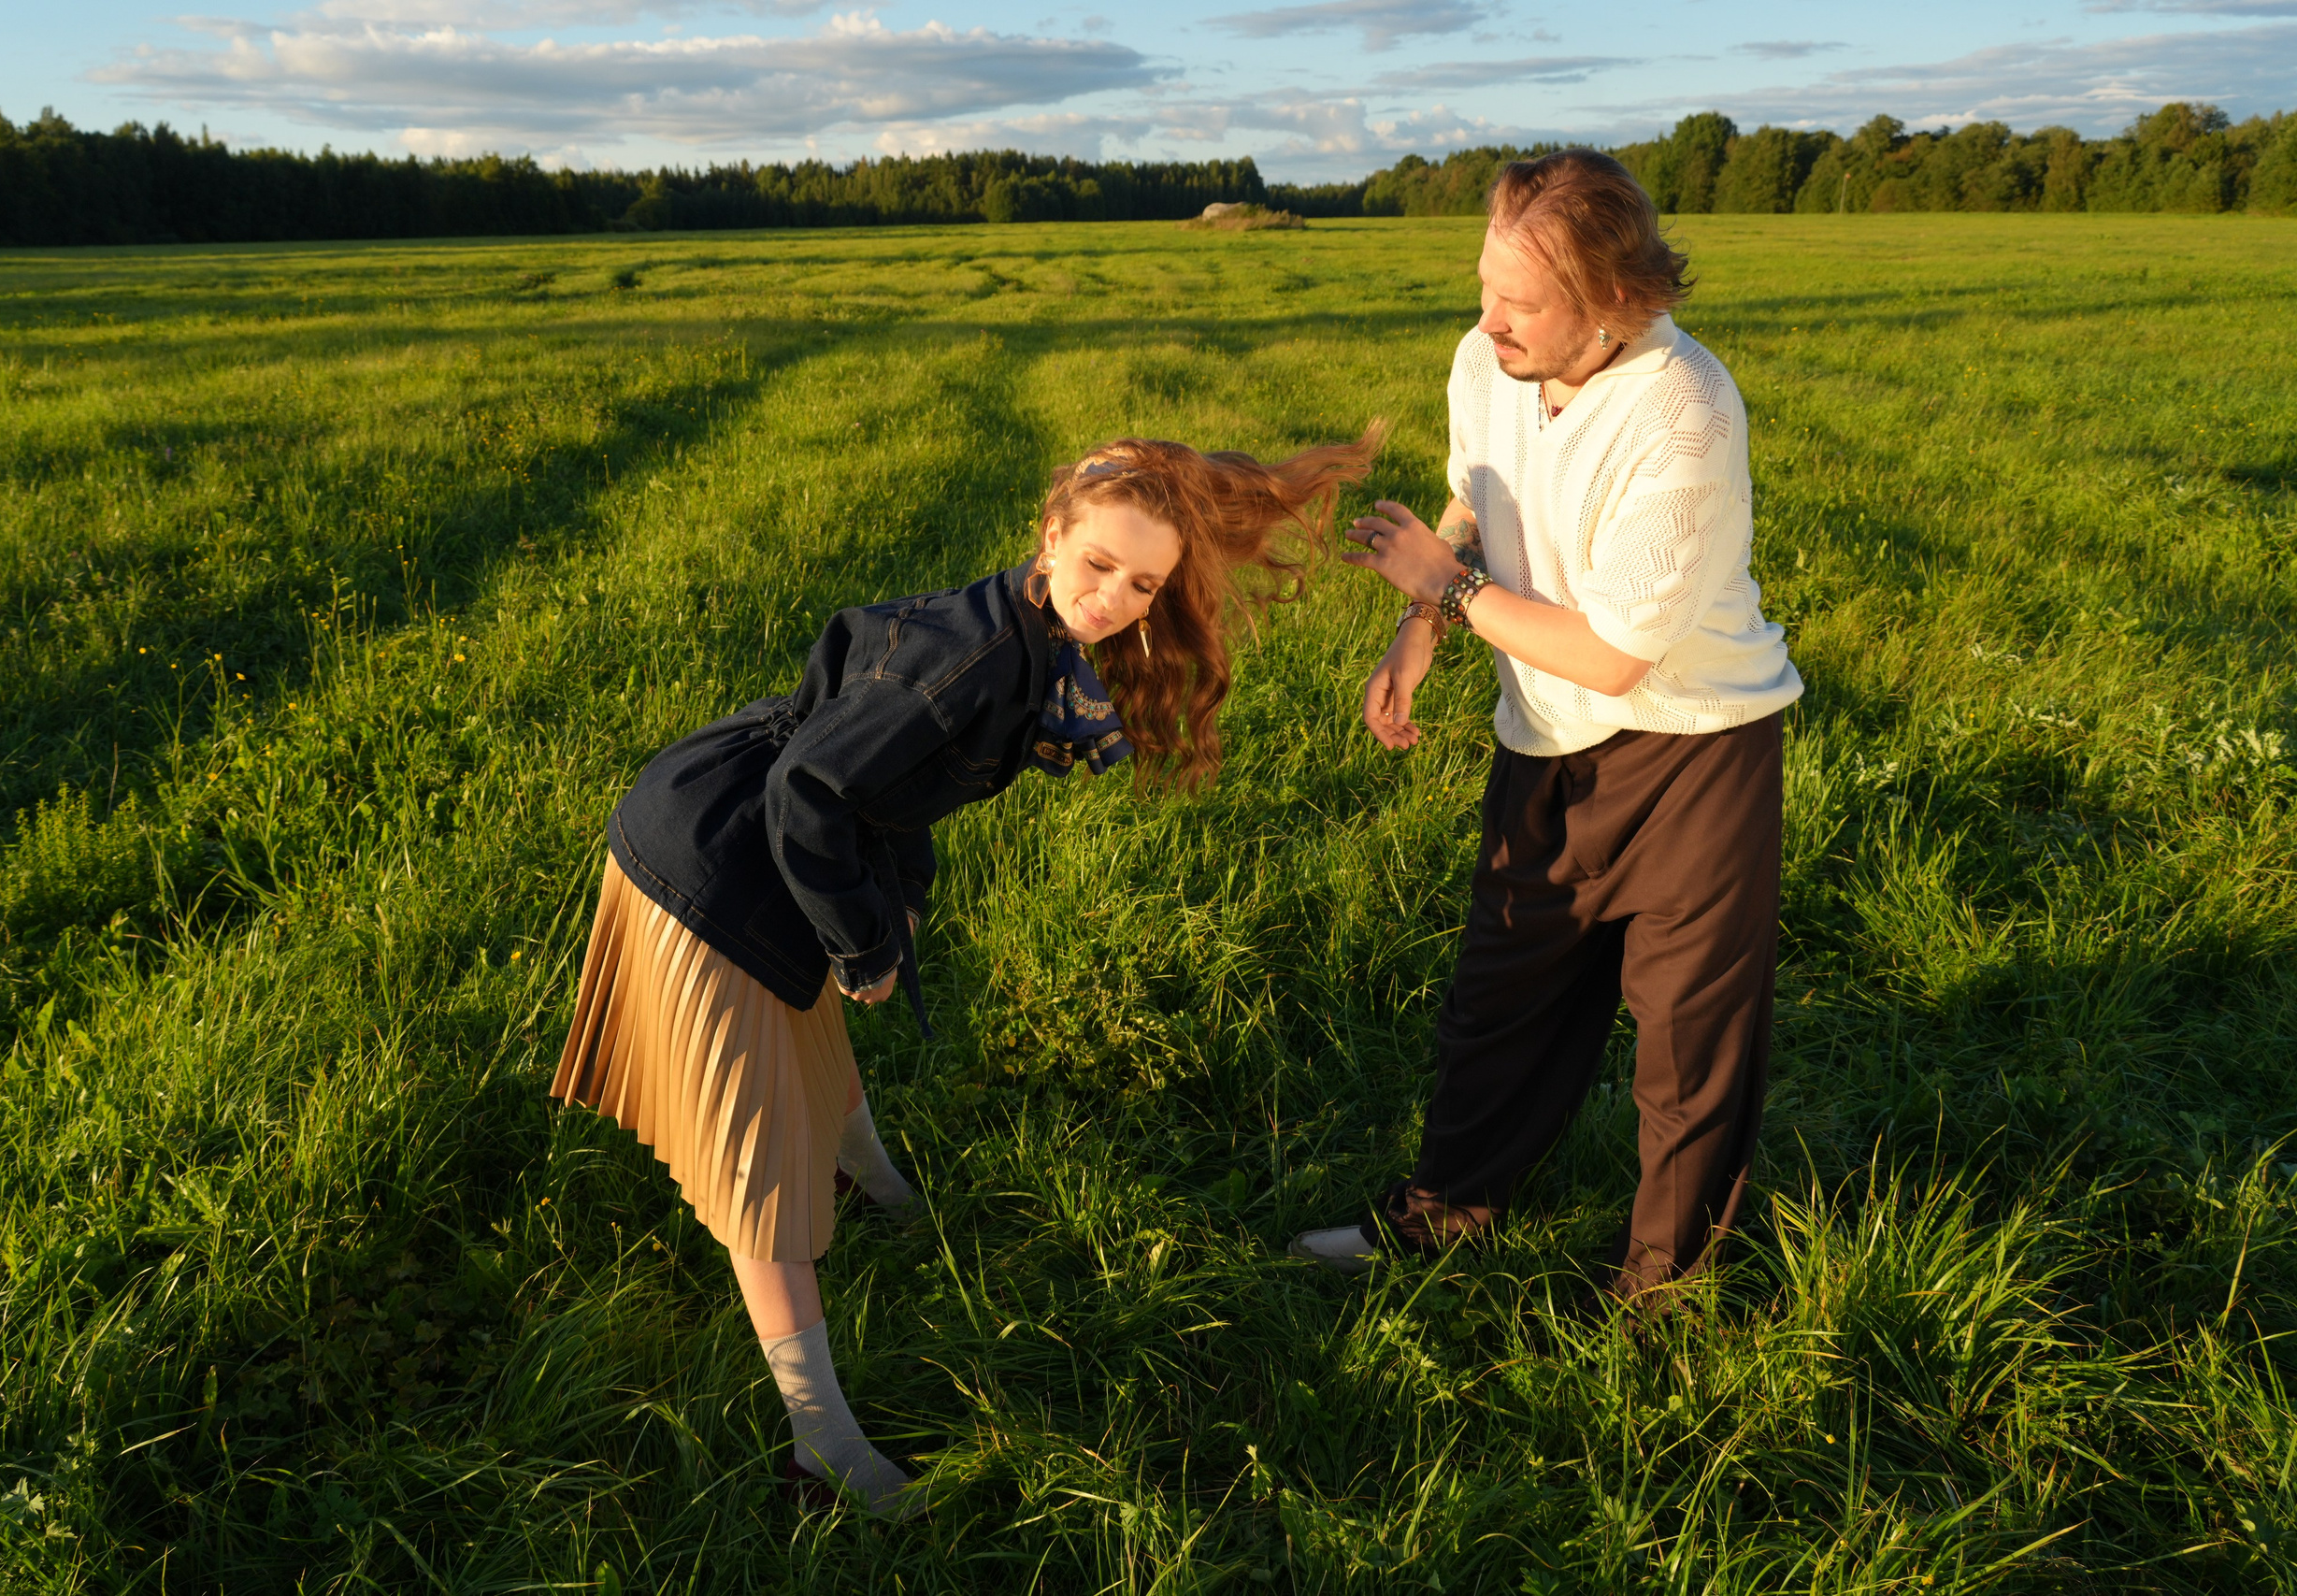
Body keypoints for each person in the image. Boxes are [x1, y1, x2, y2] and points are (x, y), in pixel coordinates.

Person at [551, 428, 1379, 1516]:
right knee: (756, 1171)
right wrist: (860, 942)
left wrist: (887, 911)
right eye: (1097, 566)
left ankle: (879, 1188)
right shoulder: (980, 658)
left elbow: (874, 758)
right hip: (716, 860)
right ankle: (823, 1448)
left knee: (813, 1037)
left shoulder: (1023, 628)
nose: (1115, 599)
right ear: (1050, 536)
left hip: (760, 831)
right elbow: (810, 786)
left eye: (1144, 583)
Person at [1287, 149, 1802, 1306]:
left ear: (1618, 299)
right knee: (1500, 992)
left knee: (1687, 1037)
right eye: (1485, 286)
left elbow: (1618, 656)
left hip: (1695, 744)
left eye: (1521, 301)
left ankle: (1665, 1296)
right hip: (1545, 734)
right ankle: (1443, 1219)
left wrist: (1453, 591)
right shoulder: (1485, 359)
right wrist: (1422, 624)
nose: (1488, 320)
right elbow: (1480, 493)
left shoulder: (1683, 411)